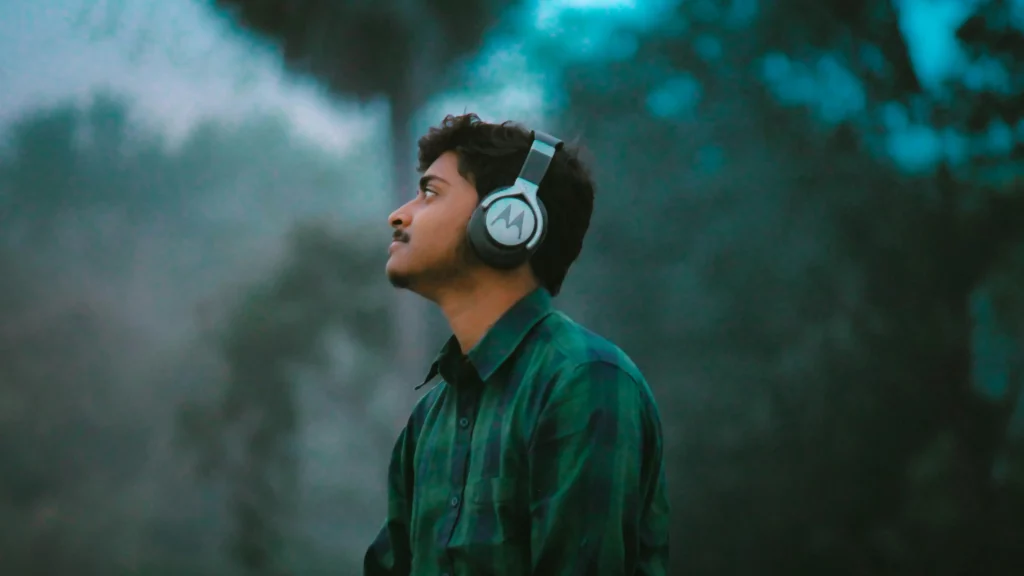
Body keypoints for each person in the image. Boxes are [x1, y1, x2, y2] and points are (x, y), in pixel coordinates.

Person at [364, 113, 669, 576]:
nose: (399, 214)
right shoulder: (429, 418)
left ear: (509, 220)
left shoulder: (583, 380)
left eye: (431, 193)